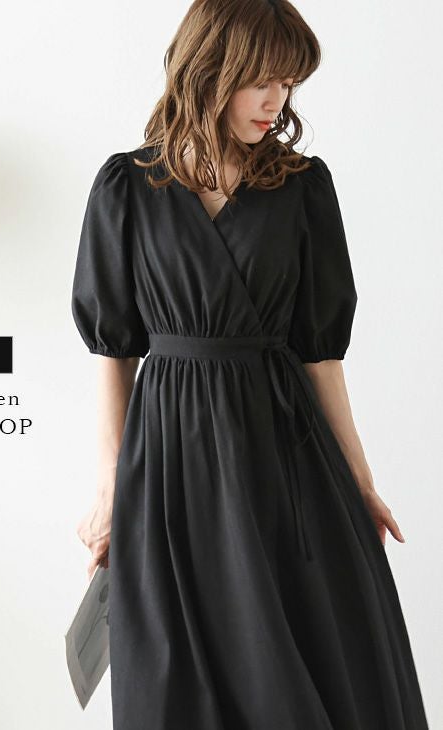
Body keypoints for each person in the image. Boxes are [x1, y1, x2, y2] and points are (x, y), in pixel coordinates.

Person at [70, 0, 430, 727]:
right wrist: (111, 486)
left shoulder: (303, 187)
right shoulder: (126, 187)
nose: (277, 102)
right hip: (168, 464)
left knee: (305, 666)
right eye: (261, 81)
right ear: (210, 68)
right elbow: (114, 352)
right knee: (175, 673)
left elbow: (321, 356)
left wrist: (359, 481)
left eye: (289, 84)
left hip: (282, 456)